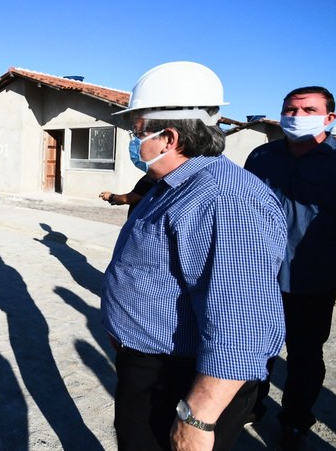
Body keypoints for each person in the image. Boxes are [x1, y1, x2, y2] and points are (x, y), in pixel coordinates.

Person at [101, 61, 287, 451]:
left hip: (182, 377)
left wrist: (196, 418)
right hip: (151, 365)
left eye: (137, 133)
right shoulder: (170, 185)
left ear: (168, 138)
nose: (133, 144)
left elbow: (242, 322)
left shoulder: (224, 199)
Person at [244, 86, 336, 449]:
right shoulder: (262, 156)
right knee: (254, 348)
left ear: (330, 118)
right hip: (257, 277)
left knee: (304, 356)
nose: (297, 117)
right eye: (291, 109)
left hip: (314, 278)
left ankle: (296, 421)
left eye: (309, 110)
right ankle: (249, 408)